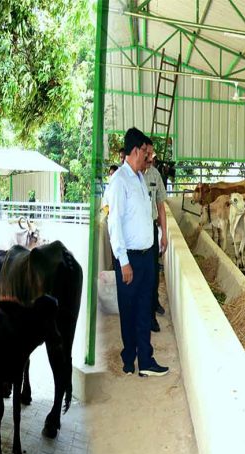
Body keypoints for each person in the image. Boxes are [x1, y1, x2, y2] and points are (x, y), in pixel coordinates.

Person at [104, 127, 169, 377]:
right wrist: (123, 262)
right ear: (135, 151)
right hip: (130, 258)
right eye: (146, 152)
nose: (149, 157)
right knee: (129, 310)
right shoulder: (119, 181)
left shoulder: (141, 177)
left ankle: (146, 360)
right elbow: (114, 223)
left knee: (144, 309)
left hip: (146, 256)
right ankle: (128, 357)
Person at [140, 141, 168, 332]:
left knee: (152, 274)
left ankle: (151, 314)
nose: (150, 159)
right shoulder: (129, 176)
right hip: (133, 231)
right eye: (147, 154)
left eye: (152, 155)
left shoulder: (155, 174)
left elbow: (160, 206)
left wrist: (164, 234)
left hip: (150, 228)